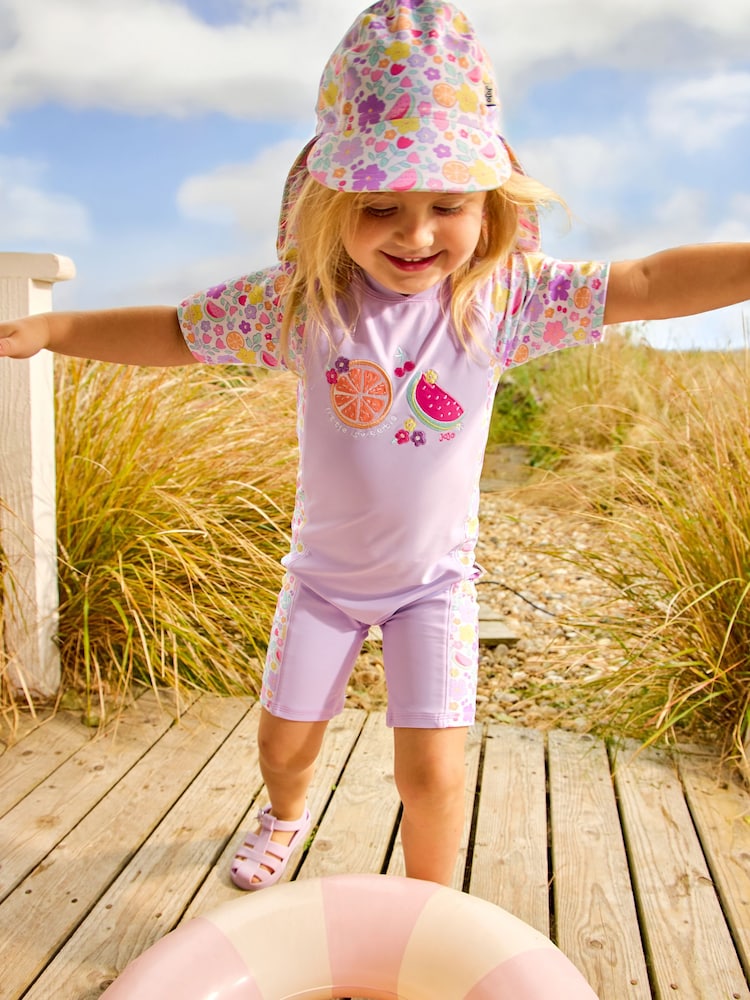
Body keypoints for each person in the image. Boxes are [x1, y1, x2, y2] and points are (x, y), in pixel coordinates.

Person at [2, 0, 750, 892]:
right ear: (330, 206)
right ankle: (284, 817)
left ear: (490, 206)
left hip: (433, 587)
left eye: (447, 204)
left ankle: (430, 908)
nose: (416, 232)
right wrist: (57, 331)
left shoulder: (504, 303)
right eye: (381, 205)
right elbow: (173, 330)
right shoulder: (305, 304)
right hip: (320, 583)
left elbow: (648, 281)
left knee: (429, 772)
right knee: (282, 745)